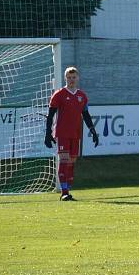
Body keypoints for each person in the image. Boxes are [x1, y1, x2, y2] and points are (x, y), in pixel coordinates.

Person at [44, 67, 99, 201]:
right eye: (69, 77)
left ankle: (67, 190)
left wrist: (93, 130)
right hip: (62, 133)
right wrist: (48, 133)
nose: (71, 80)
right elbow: (50, 115)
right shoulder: (59, 94)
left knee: (71, 162)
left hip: (75, 134)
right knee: (64, 161)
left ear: (78, 78)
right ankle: (64, 192)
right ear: (65, 78)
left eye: (74, 77)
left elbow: (85, 114)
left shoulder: (82, 96)